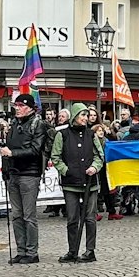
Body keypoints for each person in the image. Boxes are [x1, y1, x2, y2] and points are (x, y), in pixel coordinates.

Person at [0, 93, 51, 264]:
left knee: (29, 215)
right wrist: (5, 169)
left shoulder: (39, 124)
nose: (17, 108)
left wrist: (12, 153)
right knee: (16, 215)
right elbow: (7, 148)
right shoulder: (14, 124)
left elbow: (36, 150)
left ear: (30, 107)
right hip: (14, 173)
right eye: (16, 105)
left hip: (30, 173)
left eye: (21, 106)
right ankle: (20, 250)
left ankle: (32, 252)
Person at [53, 104, 103, 261]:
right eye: (82, 115)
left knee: (90, 218)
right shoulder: (63, 135)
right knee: (72, 218)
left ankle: (90, 250)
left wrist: (94, 167)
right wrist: (66, 170)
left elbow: (99, 155)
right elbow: (56, 157)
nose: (86, 118)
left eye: (87, 116)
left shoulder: (91, 135)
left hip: (90, 182)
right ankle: (72, 250)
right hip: (70, 183)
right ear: (74, 116)